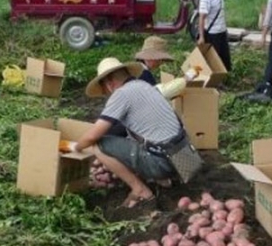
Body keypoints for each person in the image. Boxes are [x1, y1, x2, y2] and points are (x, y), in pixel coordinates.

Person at [67, 58, 194, 207]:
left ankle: (140, 190)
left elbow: (92, 136)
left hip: (163, 163)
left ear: (109, 83)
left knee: (98, 145)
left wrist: (75, 148)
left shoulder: (121, 94)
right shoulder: (145, 86)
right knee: (134, 135)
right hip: (187, 160)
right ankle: (165, 180)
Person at [197, 0, 231, 72]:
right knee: (215, 59)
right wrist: (202, 37)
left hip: (222, 32)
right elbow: (201, 17)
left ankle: (223, 78)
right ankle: (215, 81)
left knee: (224, 57)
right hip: (213, 34)